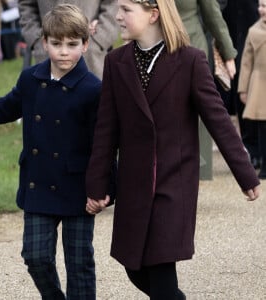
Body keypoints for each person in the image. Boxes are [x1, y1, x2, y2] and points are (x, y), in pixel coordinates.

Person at [85, 0, 261, 299]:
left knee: (161, 268)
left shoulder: (190, 60)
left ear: (153, 14)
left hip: (173, 183)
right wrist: (97, 184)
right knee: (135, 268)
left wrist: (245, 175)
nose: (117, 16)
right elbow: (106, 130)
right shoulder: (116, 62)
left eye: (126, 9)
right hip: (134, 183)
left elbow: (218, 120)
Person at [0, 4, 109, 299]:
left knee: (79, 263)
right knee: (36, 256)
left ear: (85, 44)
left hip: (78, 188)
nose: (64, 52)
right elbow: (7, 106)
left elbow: (104, 145)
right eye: (56, 44)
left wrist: (105, 188)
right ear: (44, 43)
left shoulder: (94, 89)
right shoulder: (31, 79)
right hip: (39, 183)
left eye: (72, 45)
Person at [174, 0, 238, 180]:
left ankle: (200, 170)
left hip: (191, 46)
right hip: (158, 45)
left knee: (197, 108)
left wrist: (228, 53)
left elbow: (213, 15)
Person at [18, 0, 119, 78]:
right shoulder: (26, 81)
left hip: (92, 55)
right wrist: (36, 39)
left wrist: (100, 38)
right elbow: (26, 5)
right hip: (47, 51)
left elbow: (112, 3)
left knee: (95, 101)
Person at [222, 0, 261, 169]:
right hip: (237, 42)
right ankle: (252, 150)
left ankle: (259, 150)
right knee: (242, 93)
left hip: (259, 40)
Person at [238, 0, 266, 179]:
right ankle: (264, 163)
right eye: (260, 5)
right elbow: (246, 63)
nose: (260, 9)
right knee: (262, 128)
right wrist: (243, 89)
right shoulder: (254, 31)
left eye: (265, 6)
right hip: (260, 85)